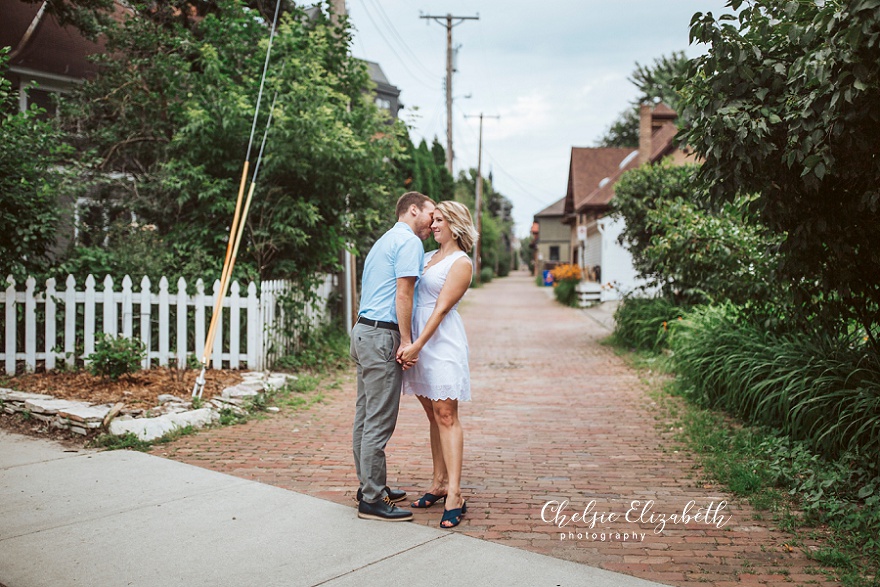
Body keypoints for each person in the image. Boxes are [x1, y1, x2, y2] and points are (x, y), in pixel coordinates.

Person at [350, 191, 436, 522]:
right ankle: (371, 499)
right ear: (413, 210)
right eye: (431, 213)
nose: (433, 221)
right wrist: (407, 339)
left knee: (365, 413)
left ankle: (369, 485)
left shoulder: (385, 241)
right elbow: (404, 292)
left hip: (362, 331)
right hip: (382, 334)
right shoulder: (410, 243)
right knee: (379, 419)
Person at [398, 200, 478, 529]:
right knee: (432, 413)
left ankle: (455, 494)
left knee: (447, 414)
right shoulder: (429, 258)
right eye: (433, 219)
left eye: (440, 220)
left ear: (455, 224)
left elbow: (442, 309)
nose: (433, 225)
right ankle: (438, 483)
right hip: (419, 343)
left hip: (441, 344)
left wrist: (416, 344)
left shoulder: (461, 263)